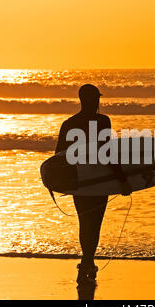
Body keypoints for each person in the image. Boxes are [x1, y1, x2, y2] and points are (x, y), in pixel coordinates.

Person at [55, 84, 132, 285]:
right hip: (101, 180)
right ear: (94, 100)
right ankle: (87, 263)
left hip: (80, 181)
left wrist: (64, 181)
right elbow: (108, 153)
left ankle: (86, 263)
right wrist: (121, 180)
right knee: (94, 224)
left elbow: (58, 157)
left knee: (85, 222)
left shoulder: (69, 123)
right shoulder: (102, 121)